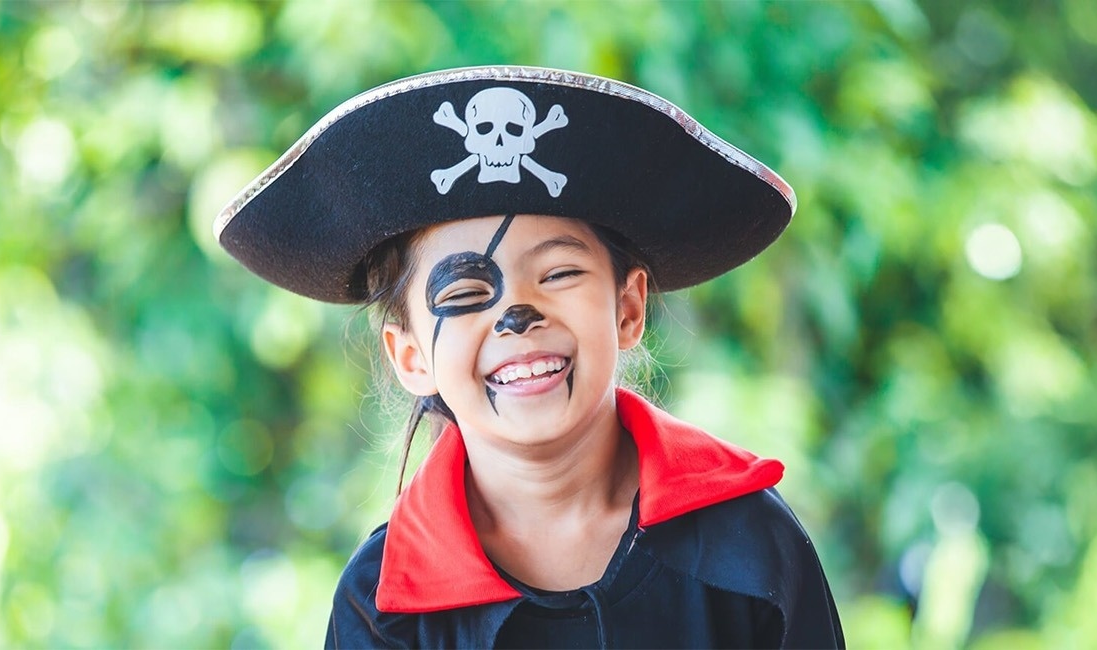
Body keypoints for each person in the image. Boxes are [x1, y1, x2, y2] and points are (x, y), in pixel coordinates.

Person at [214, 66, 844, 648]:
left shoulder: (750, 547)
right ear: (411, 357)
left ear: (628, 309)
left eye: (560, 273)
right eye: (464, 293)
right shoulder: (381, 610)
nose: (518, 315)